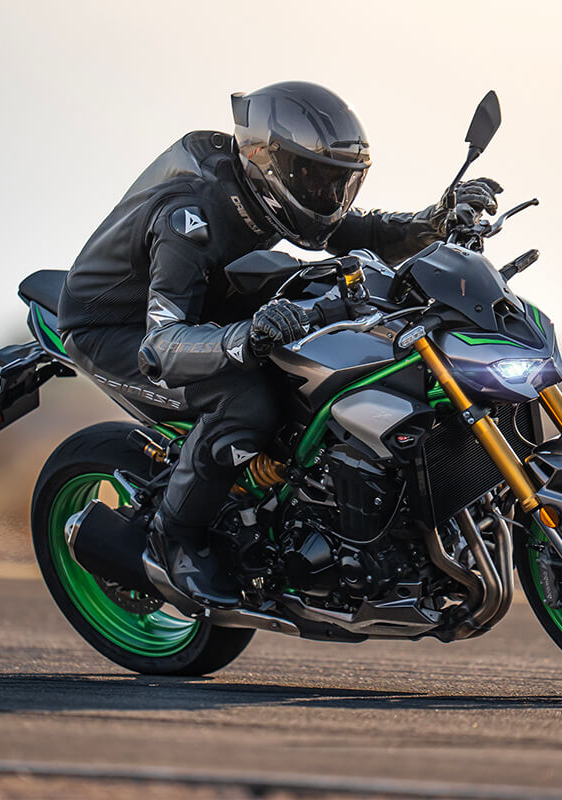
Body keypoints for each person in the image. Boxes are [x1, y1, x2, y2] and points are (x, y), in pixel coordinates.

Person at [55, 81, 502, 607]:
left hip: (210, 304)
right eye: (313, 177)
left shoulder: (268, 196)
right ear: (268, 162)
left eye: (337, 181)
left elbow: (356, 231)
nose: (326, 194)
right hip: (119, 330)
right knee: (246, 400)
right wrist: (248, 336)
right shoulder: (189, 219)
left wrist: (436, 219)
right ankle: (174, 544)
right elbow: (163, 345)